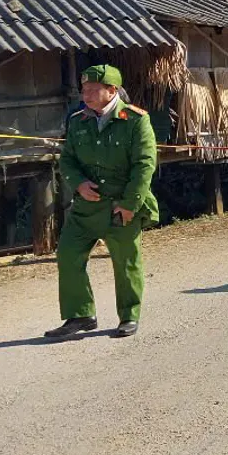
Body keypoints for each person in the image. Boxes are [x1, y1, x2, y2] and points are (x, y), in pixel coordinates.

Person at [46, 64, 157, 340]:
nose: (87, 95)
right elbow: (68, 160)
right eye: (84, 90)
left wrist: (131, 203)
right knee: (68, 254)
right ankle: (81, 314)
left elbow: (144, 165)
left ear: (112, 90)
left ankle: (129, 316)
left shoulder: (135, 120)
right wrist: (78, 184)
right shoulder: (78, 121)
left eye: (94, 90)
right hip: (86, 207)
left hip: (121, 206)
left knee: (126, 261)